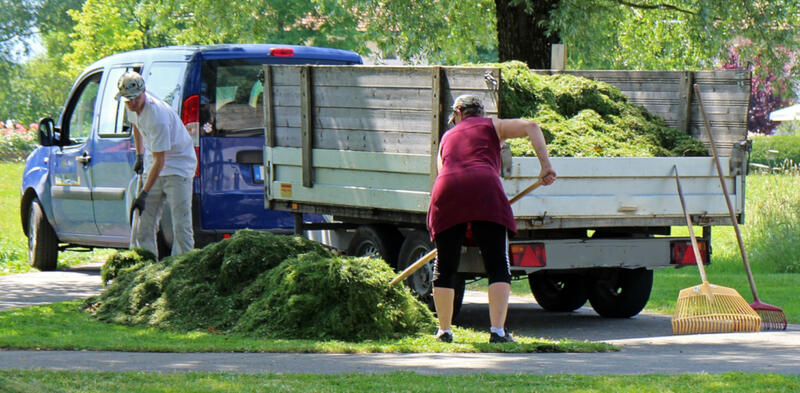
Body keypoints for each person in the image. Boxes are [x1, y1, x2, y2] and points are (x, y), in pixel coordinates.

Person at [427, 95, 557, 343]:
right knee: (497, 263)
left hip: (447, 189)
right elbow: (531, 126)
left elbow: (442, 171)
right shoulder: (493, 126)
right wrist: (545, 166)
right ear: (481, 112)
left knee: (445, 265)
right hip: (485, 187)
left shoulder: (446, 137)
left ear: (459, 113)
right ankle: (497, 332)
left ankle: (444, 331)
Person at [116, 71, 197, 257]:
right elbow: (136, 127)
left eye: (134, 99)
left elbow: (161, 161)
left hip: (178, 166)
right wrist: (139, 155)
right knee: (143, 223)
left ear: (144, 92)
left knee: (181, 225)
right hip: (154, 163)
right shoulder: (131, 105)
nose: (131, 103)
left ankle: (182, 268)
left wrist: (144, 193)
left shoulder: (157, 117)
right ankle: (146, 266)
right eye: (127, 100)